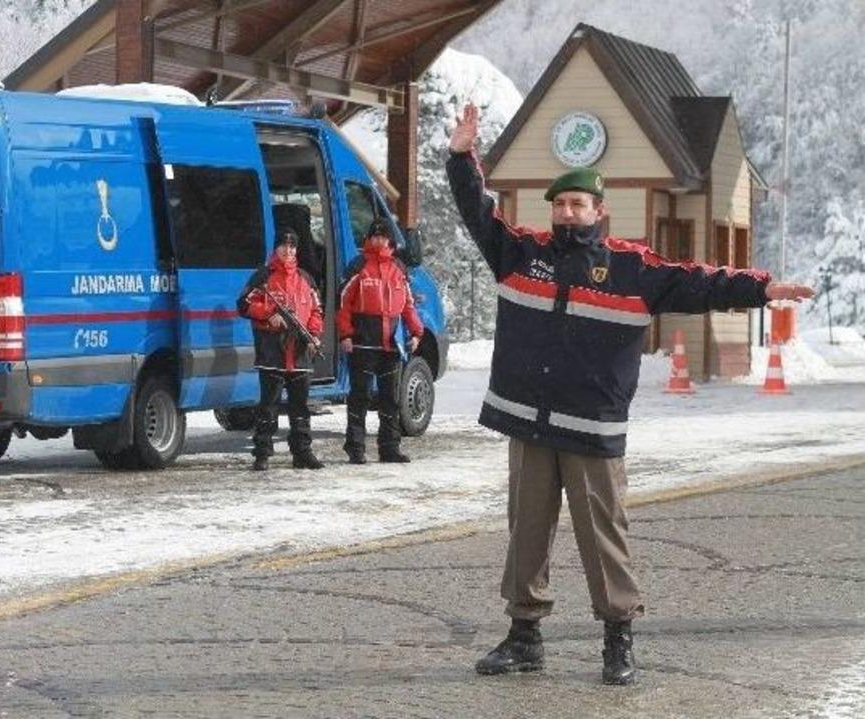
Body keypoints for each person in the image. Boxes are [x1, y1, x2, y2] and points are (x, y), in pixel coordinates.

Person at [446, 103, 814, 685]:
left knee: (604, 540)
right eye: (560, 204)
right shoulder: (522, 255)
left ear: (599, 210)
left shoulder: (631, 270)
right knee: (526, 534)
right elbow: (476, 211)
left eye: (578, 204)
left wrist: (762, 288)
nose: (568, 213)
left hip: (592, 430)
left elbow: (701, 283)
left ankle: (618, 642)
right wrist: (462, 157)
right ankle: (524, 637)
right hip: (530, 425)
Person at [237, 227, 325, 472]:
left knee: (301, 408)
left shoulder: (306, 279)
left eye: (293, 246)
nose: (288, 250)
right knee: (268, 407)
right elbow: (243, 305)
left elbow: (316, 311)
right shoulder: (263, 277)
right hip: (271, 354)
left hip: (300, 355)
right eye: (284, 246)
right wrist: (268, 316)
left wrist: (314, 336)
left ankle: (302, 453)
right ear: (276, 248)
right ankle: (262, 453)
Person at [337, 218, 424, 464]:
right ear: (368, 239)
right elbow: (343, 304)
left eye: (383, 236)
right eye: (374, 236)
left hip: (391, 345)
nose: (378, 240)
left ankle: (389, 448)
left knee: (391, 399)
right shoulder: (358, 265)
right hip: (363, 343)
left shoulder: (399, 268)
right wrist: (345, 335)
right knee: (360, 397)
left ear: (390, 240)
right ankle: (355, 448)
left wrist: (417, 333)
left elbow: (408, 306)